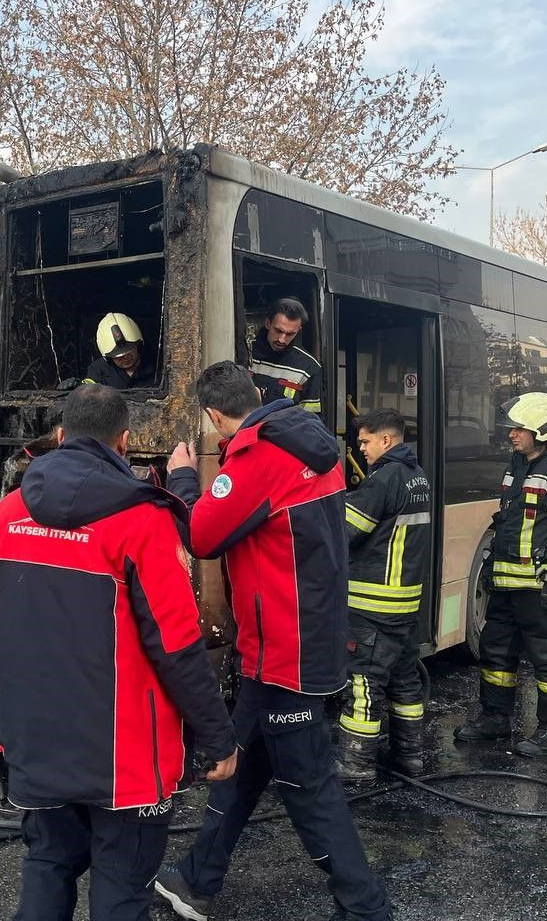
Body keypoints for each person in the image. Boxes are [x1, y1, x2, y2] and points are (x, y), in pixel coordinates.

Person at [0, 383, 237, 921]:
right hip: (124, 759)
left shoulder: (8, 514)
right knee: (122, 891)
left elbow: (0, 621)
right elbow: (177, 645)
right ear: (124, 441)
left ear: (60, 436)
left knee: (48, 863)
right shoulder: (142, 521)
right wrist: (218, 737)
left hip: (35, 740)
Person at [155, 361, 393, 921]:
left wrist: (183, 478)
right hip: (294, 640)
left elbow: (202, 535)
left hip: (287, 651)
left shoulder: (258, 458)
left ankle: (365, 907)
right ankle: (197, 881)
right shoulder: (306, 439)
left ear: (215, 415)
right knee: (238, 764)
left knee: (309, 787)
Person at [454, 391, 547, 758]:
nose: (512, 434)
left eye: (519, 428)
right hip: (507, 585)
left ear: (541, 430)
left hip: (544, 589)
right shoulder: (517, 466)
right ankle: (495, 718)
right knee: (495, 653)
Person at [337, 409, 431, 782]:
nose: (361, 449)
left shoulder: (384, 478)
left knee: (364, 680)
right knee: (405, 678)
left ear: (386, 440)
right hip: (405, 603)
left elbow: (347, 530)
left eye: (365, 441)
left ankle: (356, 763)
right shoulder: (417, 476)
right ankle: (410, 756)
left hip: (372, 604)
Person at [249, 297, 322, 414]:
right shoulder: (245, 353)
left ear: (299, 330)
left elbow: (310, 419)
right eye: (278, 331)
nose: (282, 339)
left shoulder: (309, 367)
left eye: (290, 334)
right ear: (267, 323)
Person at [84, 312, 157, 388]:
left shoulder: (157, 365)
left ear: (138, 345)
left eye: (129, 352)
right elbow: (88, 391)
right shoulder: (97, 370)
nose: (125, 358)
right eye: (118, 357)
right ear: (108, 357)